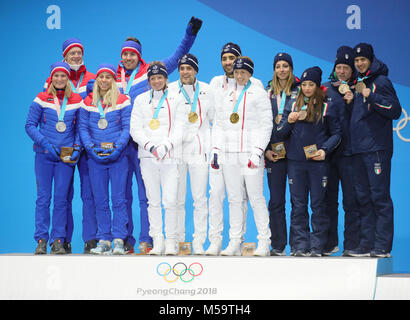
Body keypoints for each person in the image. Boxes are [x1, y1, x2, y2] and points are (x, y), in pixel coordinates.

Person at [117, 17, 203, 254]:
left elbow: (178, 55)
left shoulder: (150, 73)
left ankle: (149, 240)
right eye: (125, 54)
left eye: (132, 54)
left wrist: (190, 35)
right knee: (122, 196)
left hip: (147, 149)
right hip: (122, 144)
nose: (128, 58)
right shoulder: (114, 78)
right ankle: (124, 240)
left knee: (149, 197)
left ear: (139, 56)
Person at [211, 56, 273, 256]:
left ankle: (264, 241)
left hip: (250, 154)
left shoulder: (258, 93)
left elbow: (266, 124)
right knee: (235, 199)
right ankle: (235, 241)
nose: (238, 75)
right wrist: (216, 150)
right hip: (230, 154)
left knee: (256, 198)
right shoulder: (227, 94)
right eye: (236, 72)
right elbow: (220, 125)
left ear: (250, 73)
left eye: (243, 72)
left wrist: (257, 151)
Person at [277, 66, 341, 257]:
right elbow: (280, 133)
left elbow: (337, 134)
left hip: (317, 163)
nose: (306, 88)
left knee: (318, 205)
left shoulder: (327, 106)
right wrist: (289, 121)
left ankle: (317, 246)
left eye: (310, 84)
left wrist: (324, 150)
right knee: (298, 205)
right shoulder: (293, 105)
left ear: (317, 86)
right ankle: (299, 246)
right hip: (295, 163)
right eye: (303, 84)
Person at [44, 38, 97, 253]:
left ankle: (91, 239)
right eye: (71, 53)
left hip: (85, 144)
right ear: (64, 56)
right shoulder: (55, 79)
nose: (76, 56)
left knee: (89, 193)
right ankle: (61, 240)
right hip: (64, 144)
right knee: (63, 195)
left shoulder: (92, 78)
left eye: (79, 53)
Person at [349, 43, 401, 258]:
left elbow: (395, 110)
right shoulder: (357, 82)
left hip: (377, 149)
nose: (359, 63)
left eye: (363, 60)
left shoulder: (381, 82)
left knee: (379, 197)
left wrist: (370, 95)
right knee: (363, 197)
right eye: (357, 60)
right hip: (358, 150)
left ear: (371, 60)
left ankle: (382, 246)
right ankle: (367, 243)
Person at [26, 62, 82, 254]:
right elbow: (30, 125)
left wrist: (76, 147)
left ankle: (58, 239)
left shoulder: (75, 99)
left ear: (68, 79)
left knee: (61, 199)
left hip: (65, 156)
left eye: (63, 76)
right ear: (51, 78)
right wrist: (45, 144)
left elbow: (79, 128)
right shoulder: (41, 98)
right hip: (44, 155)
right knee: (43, 198)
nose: (60, 79)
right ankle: (41, 239)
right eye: (56, 76)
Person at [130, 62, 184, 255]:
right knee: (152, 201)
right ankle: (157, 241)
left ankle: (170, 242)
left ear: (165, 79)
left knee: (170, 201)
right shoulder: (140, 100)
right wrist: (151, 147)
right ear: (149, 80)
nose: (156, 81)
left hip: (170, 157)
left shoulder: (176, 98)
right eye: (152, 78)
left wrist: (166, 146)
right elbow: (135, 129)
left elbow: (180, 128)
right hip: (148, 156)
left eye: (159, 77)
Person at [78, 64, 131, 255]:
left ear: (113, 80)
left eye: (108, 77)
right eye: (101, 77)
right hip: (95, 159)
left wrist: (117, 149)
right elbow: (83, 128)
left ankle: (118, 239)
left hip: (118, 158)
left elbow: (127, 127)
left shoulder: (123, 100)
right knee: (100, 200)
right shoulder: (88, 102)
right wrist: (91, 149)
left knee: (118, 199)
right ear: (97, 80)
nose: (104, 80)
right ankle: (104, 239)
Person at [168, 54, 215, 254]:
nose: (185, 72)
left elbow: (215, 120)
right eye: (182, 68)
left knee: (199, 198)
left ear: (196, 70)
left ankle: (198, 241)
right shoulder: (169, 89)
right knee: (176, 198)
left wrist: (212, 147)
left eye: (189, 68)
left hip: (199, 151)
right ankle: (179, 241)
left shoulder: (207, 90)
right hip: (176, 152)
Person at [322, 46, 361, 256]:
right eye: (339, 67)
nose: (342, 71)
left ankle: (352, 245)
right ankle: (329, 243)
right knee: (328, 200)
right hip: (328, 154)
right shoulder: (325, 88)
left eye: (346, 67)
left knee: (350, 201)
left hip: (349, 154)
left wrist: (351, 102)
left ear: (352, 69)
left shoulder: (358, 89)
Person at [265, 52, 300, 256]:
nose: (282, 69)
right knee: (276, 201)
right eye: (278, 66)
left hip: (295, 153)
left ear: (291, 68)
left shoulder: (301, 90)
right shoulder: (267, 92)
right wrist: (266, 151)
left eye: (285, 65)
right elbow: (262, 123)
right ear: (274, 69)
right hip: (275, 155)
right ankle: (278, 245)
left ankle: (297, 245)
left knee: (298, 200)